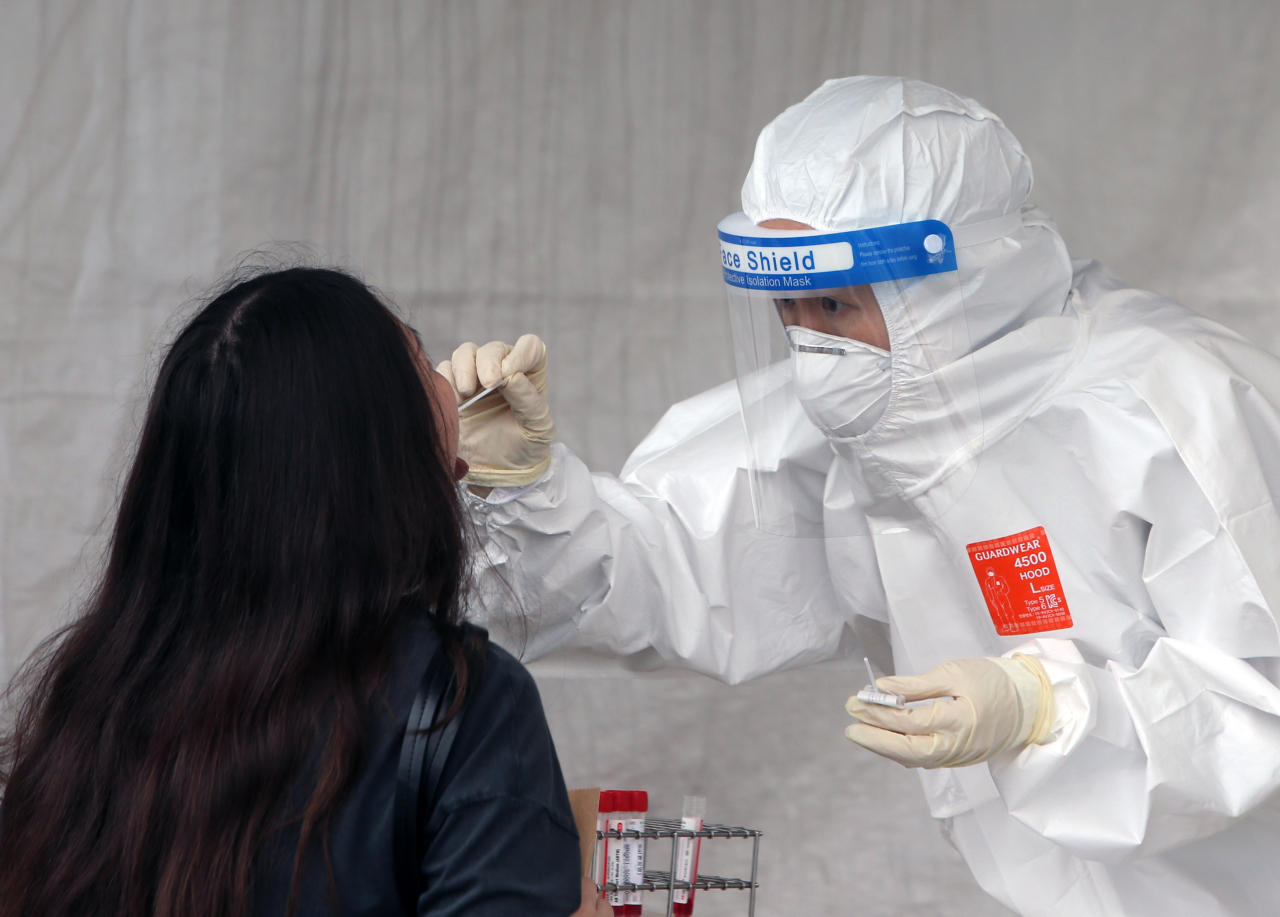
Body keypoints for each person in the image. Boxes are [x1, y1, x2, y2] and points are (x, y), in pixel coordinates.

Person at [441, 77, 1280, 916]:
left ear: (955, 284)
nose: (813, 348)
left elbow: (1257, 707)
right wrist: (524, 494)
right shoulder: (866, 428)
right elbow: (662, 573)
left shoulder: (1177, 406)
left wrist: (1045, 708)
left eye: (836, 303)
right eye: (788, 309)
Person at [0, 266, 605, 917]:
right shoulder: (463, 706)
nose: (451, 386)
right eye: (422, 361)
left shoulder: (89, 702)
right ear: (377, 450)